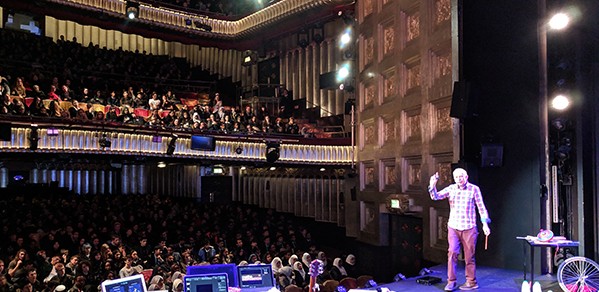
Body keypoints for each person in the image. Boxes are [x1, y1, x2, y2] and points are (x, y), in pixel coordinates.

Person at [428, 168, 491, 291]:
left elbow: (481, 207)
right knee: (452, 253)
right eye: (456, 177)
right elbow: (435, 197)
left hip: (469, 227)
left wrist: (485, 224)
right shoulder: (451, 189)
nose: (459, 179)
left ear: (466, 177)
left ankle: (471, 282)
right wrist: (432, 185)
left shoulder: (474, 189)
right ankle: (451, 281)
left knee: (469, 256)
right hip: (454, 227)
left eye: (461, 177)